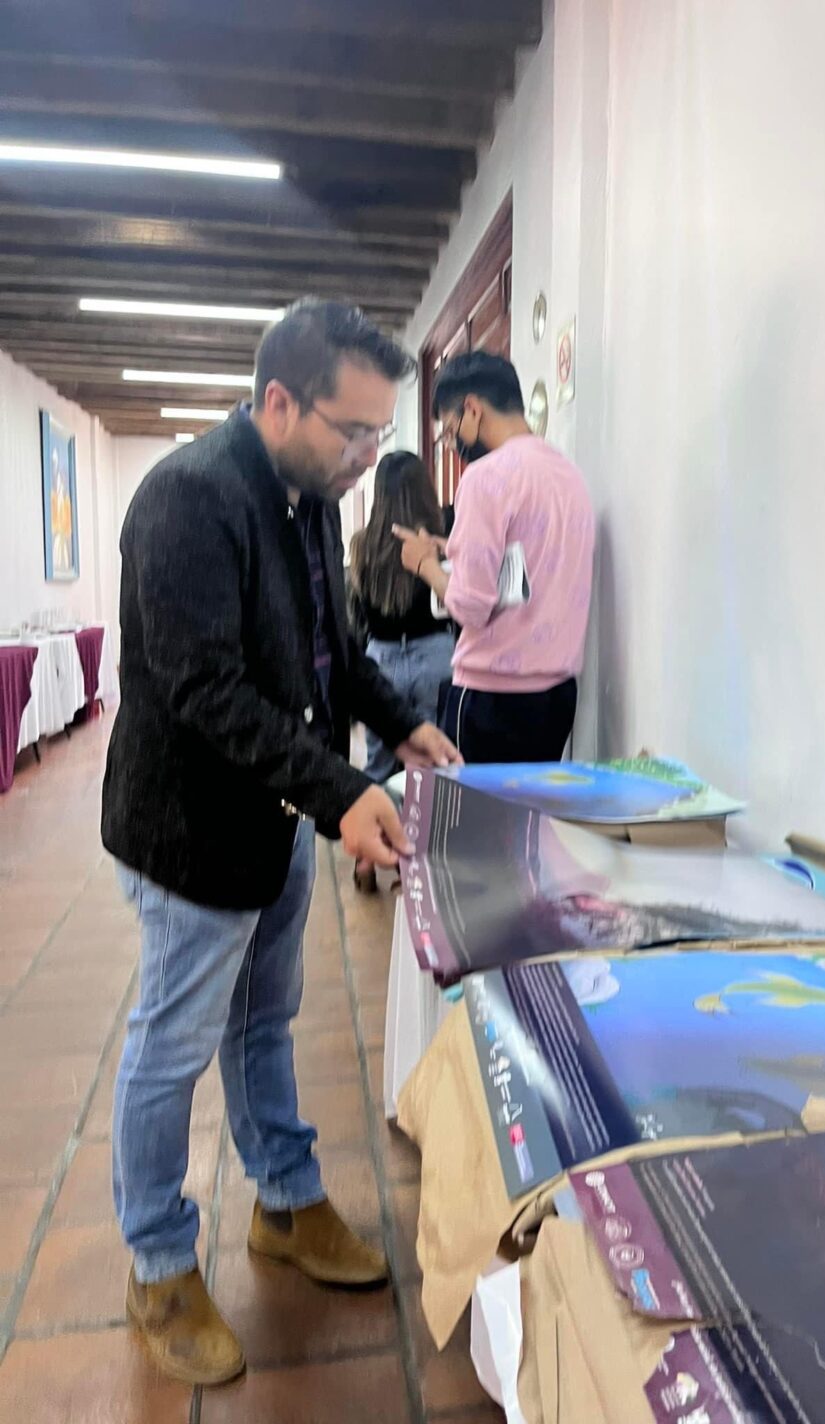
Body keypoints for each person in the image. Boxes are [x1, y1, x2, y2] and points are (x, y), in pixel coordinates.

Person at [100, 298, 460, 1387]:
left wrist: (399, 721)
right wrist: (343, 792)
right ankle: (159, 1262)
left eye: (379, 433)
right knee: (172, 1045)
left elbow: (327, 651)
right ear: (278, 403)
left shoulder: (309, 496)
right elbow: (205, 689)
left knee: (266, 1020)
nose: (368, 456)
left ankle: (286, 1202)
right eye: (353, 431)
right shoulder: (190, 497)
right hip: (188, 829)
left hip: (275, 815)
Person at [395, 352, 595, 763]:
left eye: (450, 429)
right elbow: (530, 558)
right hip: (556, 695)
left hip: (492, 696)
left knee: (469, 807)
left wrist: (424, 564)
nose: (453, 443)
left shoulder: (485, 477)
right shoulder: (568, 475)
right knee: (529, 804)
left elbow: (471, 605)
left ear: (472, 408)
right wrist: (452, 548)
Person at [351, 452, 456, 785]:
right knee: (434, 764)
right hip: (435, 655)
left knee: (378, 766)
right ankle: (427, 819)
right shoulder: (440, 535)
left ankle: (379, 817)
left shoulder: (362, 545)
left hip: (382, 661)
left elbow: (361, 609)